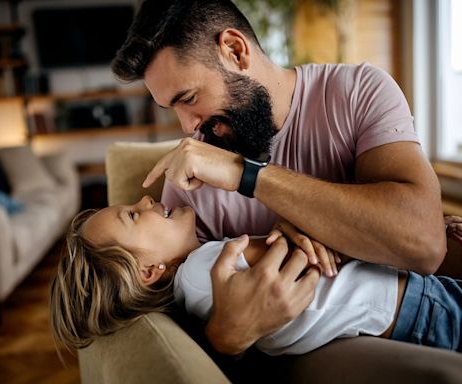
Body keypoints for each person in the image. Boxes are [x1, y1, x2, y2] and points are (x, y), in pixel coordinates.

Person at [111, 0, 447, 354]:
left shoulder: (358, 92)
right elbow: (182, 327)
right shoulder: (188, 187)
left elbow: (424, 246)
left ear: (235, 50)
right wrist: (225, 337)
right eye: (173, 109)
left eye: (189, 98)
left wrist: (246, 175)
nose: (188, 126)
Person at [49, 196, 462, 355]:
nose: (145, 199)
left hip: (405, 311)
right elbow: (324, 237)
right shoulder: (206, 268)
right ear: (149, 271)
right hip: (415, 305)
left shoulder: (196, 291)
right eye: (134, 215)